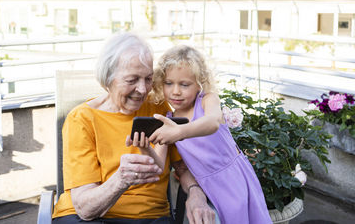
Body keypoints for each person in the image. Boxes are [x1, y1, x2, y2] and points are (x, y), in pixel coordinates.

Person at [52, 33, 215, 224]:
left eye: (148, 79)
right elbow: (85, 209)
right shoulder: (82, 119)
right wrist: (122, 179)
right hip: (90, 218)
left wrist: (197, 195)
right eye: (132, 80)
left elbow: (182, 167)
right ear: (108, 79)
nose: (143, 89)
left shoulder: (158, 109)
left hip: (150, 217)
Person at [131, 45, 272, 224]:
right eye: (168, 83)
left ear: (200, 82)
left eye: (184, 84)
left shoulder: (207, 101)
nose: (175, 91)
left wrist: (179, 131)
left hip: (233, 179)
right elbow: (159, 164)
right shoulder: (168, 121)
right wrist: (145, 149)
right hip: (206, 187)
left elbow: (212, 122)